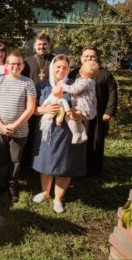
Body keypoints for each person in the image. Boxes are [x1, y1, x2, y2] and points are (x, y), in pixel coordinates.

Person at [32, 54, 87, 214]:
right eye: (58, 67)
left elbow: (85, 108)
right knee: (46, 162)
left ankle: (58, 198)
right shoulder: (42, 86)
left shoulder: (75, 86)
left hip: (66, 132)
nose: (61, 70)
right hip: (47, 131)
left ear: (69, 69)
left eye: (64, 67)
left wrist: (78, 115)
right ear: (52, 68)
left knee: (64, 164)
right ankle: (45, 192)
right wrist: (44, 109)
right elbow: (32, 109)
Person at [0, 50, 36, 202]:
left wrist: (15, 125)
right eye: (12, 63)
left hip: (20, 130)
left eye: (18, 64)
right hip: (0, 129)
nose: (15, 66)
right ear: (7, 65)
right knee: (1, 158)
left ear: (23, 66)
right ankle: (0, 184)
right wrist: (1, 125)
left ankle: (12, 186)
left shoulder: (28, 83)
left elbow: (30, 108)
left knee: (15, 160)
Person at [69, 46, 118, 176]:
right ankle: (76, 168)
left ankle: (93, 171)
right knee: (78, 139)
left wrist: (108, 112)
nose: (89, 58)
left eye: (92, 56)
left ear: (97, 58)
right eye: (86, 56)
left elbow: (113, 92)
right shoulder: (74, 73)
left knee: (96, 141)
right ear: (81, 58)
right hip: (78, 115)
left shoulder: (104, 73)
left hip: (97, 115)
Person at [21, 32, 55, 167]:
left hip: (48, 101)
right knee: (29, 133)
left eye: (44, 44)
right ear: (34, 46)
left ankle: (44, 163)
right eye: (39, 44)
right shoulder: (27, 62)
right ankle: (28, 162)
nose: (42, 47)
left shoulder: (54, 60)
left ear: (49, 45)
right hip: (30, 101)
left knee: (45, 133)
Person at [58, 60, 99, 144]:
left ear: (81, 71)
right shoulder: (92, 82)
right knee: (78, 121)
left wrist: (63, 85)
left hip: (82, 107)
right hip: (89, 108)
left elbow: (74, 89)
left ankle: (76, 133)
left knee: (68, 117)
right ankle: (83, 134)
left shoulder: (84, 82)